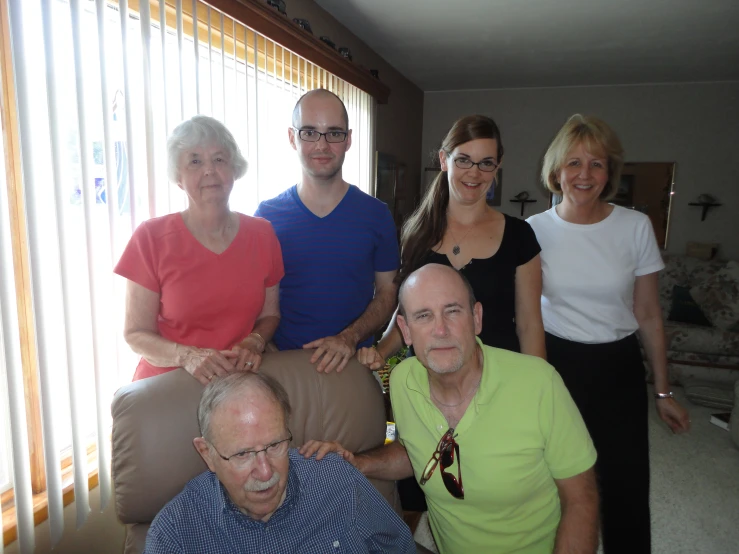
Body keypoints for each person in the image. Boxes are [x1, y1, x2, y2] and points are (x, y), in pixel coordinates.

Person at [303, 264, 599, 554]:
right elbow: (417, 451)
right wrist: (358, 462)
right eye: (423, 316)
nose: (440, 330)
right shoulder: (404, 379)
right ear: (405, 331)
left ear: (477, 318)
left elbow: (581, 500)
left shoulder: (539, 383)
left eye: (452, 311)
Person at [526, 114, 691, 554]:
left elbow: (649, 314)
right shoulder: (534, 231)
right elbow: (524, 315)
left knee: (625, 484)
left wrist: (663, 392)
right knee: (554, 483)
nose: (585, 175)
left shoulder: (634, 227)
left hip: (618, 366)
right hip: (556, 365)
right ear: (556, 172)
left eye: (596, 164)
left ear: (609, 172)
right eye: (574, 163)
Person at [143, 372, 416, 554]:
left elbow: (400, 548)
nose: (265, 472)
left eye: (274, 445)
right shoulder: (175, 534)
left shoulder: (337, 480)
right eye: (242, 454)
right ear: (207, 454)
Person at [358, 114, 545, 373]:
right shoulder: (417, 233)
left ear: (498, 165)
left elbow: (529, 325)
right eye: (464, 160)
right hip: (427, 382)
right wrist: (379, 352)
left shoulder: (519, 236)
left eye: (486, 163)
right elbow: (407, 314)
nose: (475, 173)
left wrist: (538, 387)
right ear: (444, 160)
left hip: (498, 382)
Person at [115, 116, 283, 384]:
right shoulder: (151, 238)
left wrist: (255, 340)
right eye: (195, 161)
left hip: (236, 383)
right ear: (179, 178)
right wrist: (187, 356)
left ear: (234, 169)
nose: (209, 170)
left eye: (219, 159)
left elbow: (270, 314)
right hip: (168, 383)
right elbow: (136, 334)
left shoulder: (263, 234)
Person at [255, 89, 399, 374]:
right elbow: (251, 296)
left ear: (348, 140)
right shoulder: (266, 217)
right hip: (283, 369)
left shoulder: (377, 215)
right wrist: (265, 345)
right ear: (292, 137)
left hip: (353, 368)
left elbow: (387, 292)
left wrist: (349, 337)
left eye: (333, 133)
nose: (322, 145)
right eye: (309, 132)